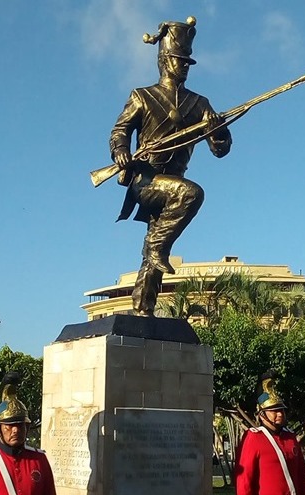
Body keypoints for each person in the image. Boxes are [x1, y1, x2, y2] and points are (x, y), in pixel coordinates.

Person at [109, 16, 232, 316]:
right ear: (165, 60)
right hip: (147, 181)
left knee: (155, 249)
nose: (185, 67)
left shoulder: (199, 103)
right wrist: (122, 152)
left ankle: (142, 308)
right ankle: (157, 248)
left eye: (188, 63)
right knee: (191, 195)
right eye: (180, 61)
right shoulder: (143, 96)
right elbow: (120, 131)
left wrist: (217, 131)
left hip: (172, 183)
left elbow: (221, 149)